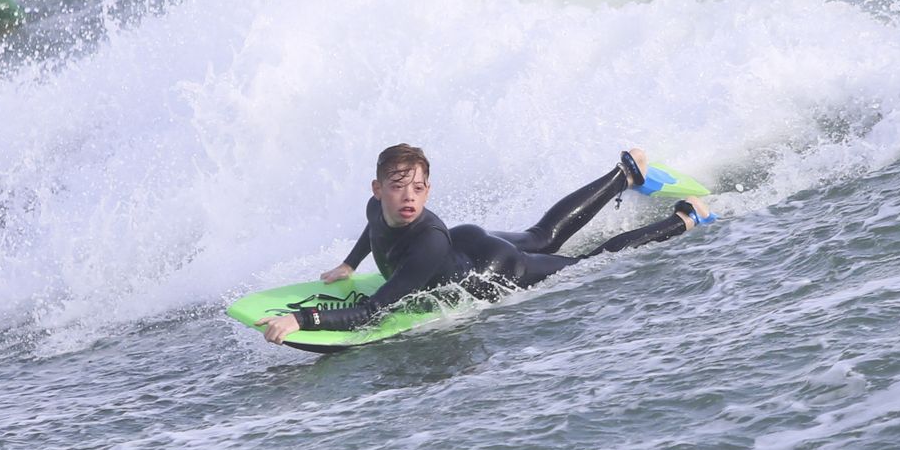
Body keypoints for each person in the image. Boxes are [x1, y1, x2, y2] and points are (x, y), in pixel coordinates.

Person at [257, 143, 715, 343]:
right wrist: (349, 264)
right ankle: (624, 173)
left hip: (493, 271)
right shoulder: (378, 208)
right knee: (542, 234)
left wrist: (302, 319)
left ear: (428, 190)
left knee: (586, 260)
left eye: (418, 189)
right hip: (468, 240)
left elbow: (375, 311)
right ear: (377, 190)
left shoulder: (424, 245)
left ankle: (686, 218)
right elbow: (372, 230)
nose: (408, 198)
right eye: (398, 188)